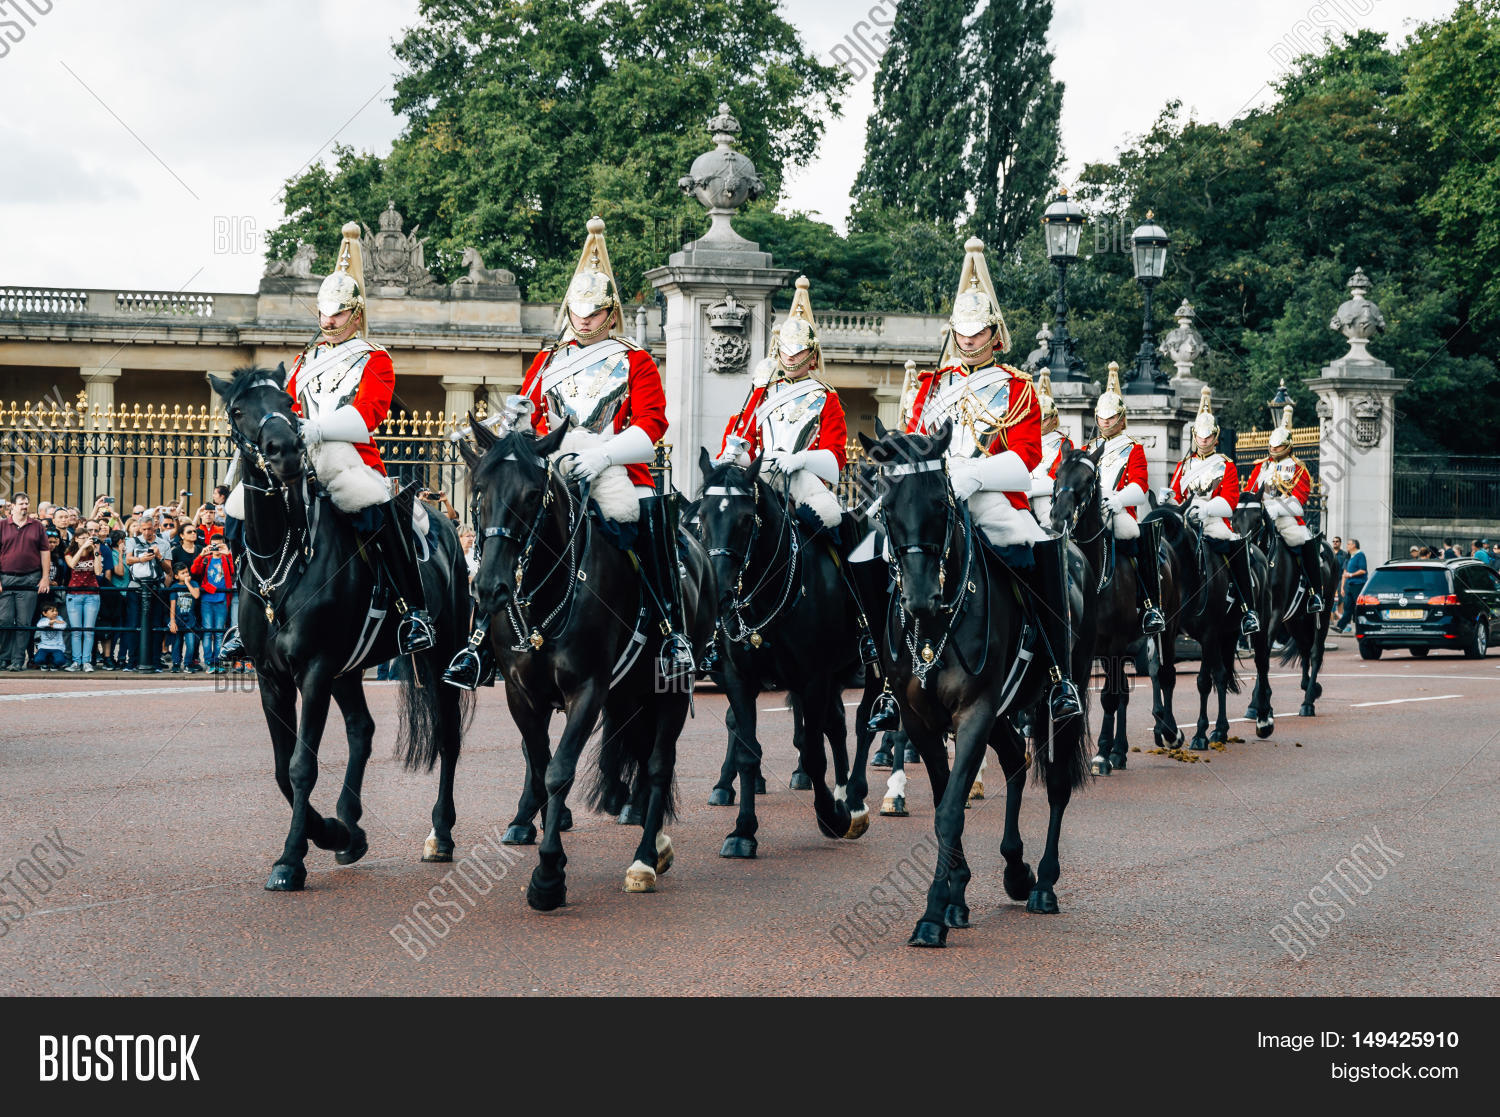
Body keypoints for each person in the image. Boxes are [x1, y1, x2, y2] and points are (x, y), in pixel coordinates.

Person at [444, 216, 680, 690]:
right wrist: (510, 421)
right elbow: (527, 419)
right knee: (504, 528)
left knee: (650, 523)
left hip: (612, 468)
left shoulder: (634, 360)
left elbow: (652, 425)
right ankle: (480, 643)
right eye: (578, 311)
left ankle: (671, 632)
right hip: (551, 466)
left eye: (594, 312)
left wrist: (604, 456)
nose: (585, 320)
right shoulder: (547, 360)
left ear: (611, 312)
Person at [218, 220, 434, 662]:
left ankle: (413, 612)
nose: (328, 320)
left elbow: (369, 415)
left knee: (376, 506)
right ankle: (244, 616)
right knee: (239, 509)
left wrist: (316, 429)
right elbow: (281, 411)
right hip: (298, 453)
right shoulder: (303, 361)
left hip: (347, 455)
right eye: (323, 312)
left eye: (337, 313)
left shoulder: (375, 358)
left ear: (356, 314)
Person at [900, 236, 1081, 722]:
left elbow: (1024, 461)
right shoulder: (930, 387)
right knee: (883, 547)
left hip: (992, 498)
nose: (967, 339)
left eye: (977, 331)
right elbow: (914, 443)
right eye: (961, 331)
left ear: (994, 334)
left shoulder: (1016, 386)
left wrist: (975, 475)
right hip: (936, 498)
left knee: (1039, 548)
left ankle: (1058, 674)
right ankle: (884, 672)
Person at [1168, 387, 1260, 636]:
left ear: (1216, 437)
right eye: (1200, 436)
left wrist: (1207, 508)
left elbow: (1230, 502)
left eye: (1208, 436)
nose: (1204, 440)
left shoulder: (1225, 465)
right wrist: (1171, 501)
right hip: (1186, 518)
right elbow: (1176, 493)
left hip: (1214, 520)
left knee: (1232, 544)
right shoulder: (1184, 465)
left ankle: (1246, 607)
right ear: (1194, 435)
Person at [1085, 362, 1164, 635]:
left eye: (1111, 417)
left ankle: (1149, 604)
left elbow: (1140, 487)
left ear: (1121, 418)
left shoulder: (1133, 448)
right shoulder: (1087, 448)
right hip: (1090, 511)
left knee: (1133, 541)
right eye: (1101, 417)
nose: (1105, 422)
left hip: (1119, 511)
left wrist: (1118, 501)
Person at [1242, 397, 1324, 612]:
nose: (1274, 449)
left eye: (1278, 446)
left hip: (1285, 516)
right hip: (1259, 514)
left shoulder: (1298, 468)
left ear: (1288, 447)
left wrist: (1275, 509)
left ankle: (1314, 592)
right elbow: (1250, 492)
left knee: (1304, 539)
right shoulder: (1261, 467)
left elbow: (1298, 502)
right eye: (1272, 446)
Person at [0, 494, 49, 671]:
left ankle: (17, 660)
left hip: (30, 578)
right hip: (6, 577)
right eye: (21, 503)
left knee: (24, 622)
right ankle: (3, 657)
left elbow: (45, 552)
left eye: (27, 503)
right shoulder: (2, 525)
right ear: (12, 506)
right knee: (4, 620)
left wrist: (45, 577)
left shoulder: (37, 526)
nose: (25, 506)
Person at [1026, 369, 1074, 527]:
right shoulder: (1023, 438)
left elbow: (1057, 476)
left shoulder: (1063, 443)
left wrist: (1031, 489)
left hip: (1046, 494)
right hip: (1020, 491)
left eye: (1044, 419)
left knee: (1048, 518)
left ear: (1054, 418)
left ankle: (1055, 541)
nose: (1039, 423)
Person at [121, 519, 170, 671]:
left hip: (156, 588)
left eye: (149, 529)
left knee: (156, 626)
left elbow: (169, 570)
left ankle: (155, 661)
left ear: (155, 527)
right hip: (136, 587)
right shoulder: (132, 541)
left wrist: (159, 556)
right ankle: (132, 661)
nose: (147, 532)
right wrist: (141, 559)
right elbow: (128, 560)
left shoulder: (164, 544)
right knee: (133, 625)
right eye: (143, 529)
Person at [62, 527, 105, 672]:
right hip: (74, 594)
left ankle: (86, 661)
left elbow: (98, 571)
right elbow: (72, 564)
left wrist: (97, 551)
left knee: (88, 630)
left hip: (92, 594)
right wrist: (82, 548)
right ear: (76, 539)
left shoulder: (94, 552)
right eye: (83, 538)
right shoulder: (69, 552)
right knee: (76, 631)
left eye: (88, 538)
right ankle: (76, 661)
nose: (86, 540)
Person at [192, 536, 234, 672]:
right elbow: (194, 570)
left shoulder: (226, 558)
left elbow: (234, 571)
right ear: (209, 545)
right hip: (206, 600)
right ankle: (209, 662)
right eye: (214, 545)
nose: (216, 548)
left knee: (219, 633)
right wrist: (201, 555)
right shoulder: (206, 559)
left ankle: (218, 661)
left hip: (222, 599)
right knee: (207, 632)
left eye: (219, 545)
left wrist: (228, 554)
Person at [167, 567, 202, 672]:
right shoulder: (174, 587)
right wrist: (172, 621)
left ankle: (188, 663)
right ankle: (176, 663)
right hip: (178, 619)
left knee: (191, 643)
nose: (186, 574)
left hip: (190, 620)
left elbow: (196, 595)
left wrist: (187, 583)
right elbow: (172, 605)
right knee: (176, 643)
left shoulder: (194, 583)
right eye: (183, 573)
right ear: (176, 576)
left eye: (187, 572)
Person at [1336, 538, 1367, 633]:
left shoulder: (1360, 555)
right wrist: (1343, 587)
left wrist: (1350, 575)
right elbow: (1344, 573)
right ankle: (1340, 627)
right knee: (1347, 607)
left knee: (1358, 608)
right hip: (1350, 585)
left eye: (1349, 544)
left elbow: (1363, 570)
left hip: (1358, 585)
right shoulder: (1351, 557)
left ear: (1354, 545)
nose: (1347, 546)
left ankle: (1362, 628)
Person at [33, 602, 68, 671]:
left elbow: (63, 625)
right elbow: (39, 625)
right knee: (38, 660)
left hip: (57, 647)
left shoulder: (59, 618)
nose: (55, 613)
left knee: (60, 660)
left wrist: (53, 625)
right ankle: (44, 664)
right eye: (52, 611)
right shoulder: (43, 620)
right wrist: (52, 622)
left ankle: (54, 664)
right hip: (44, 647)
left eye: (56, 611)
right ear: (44, 613)